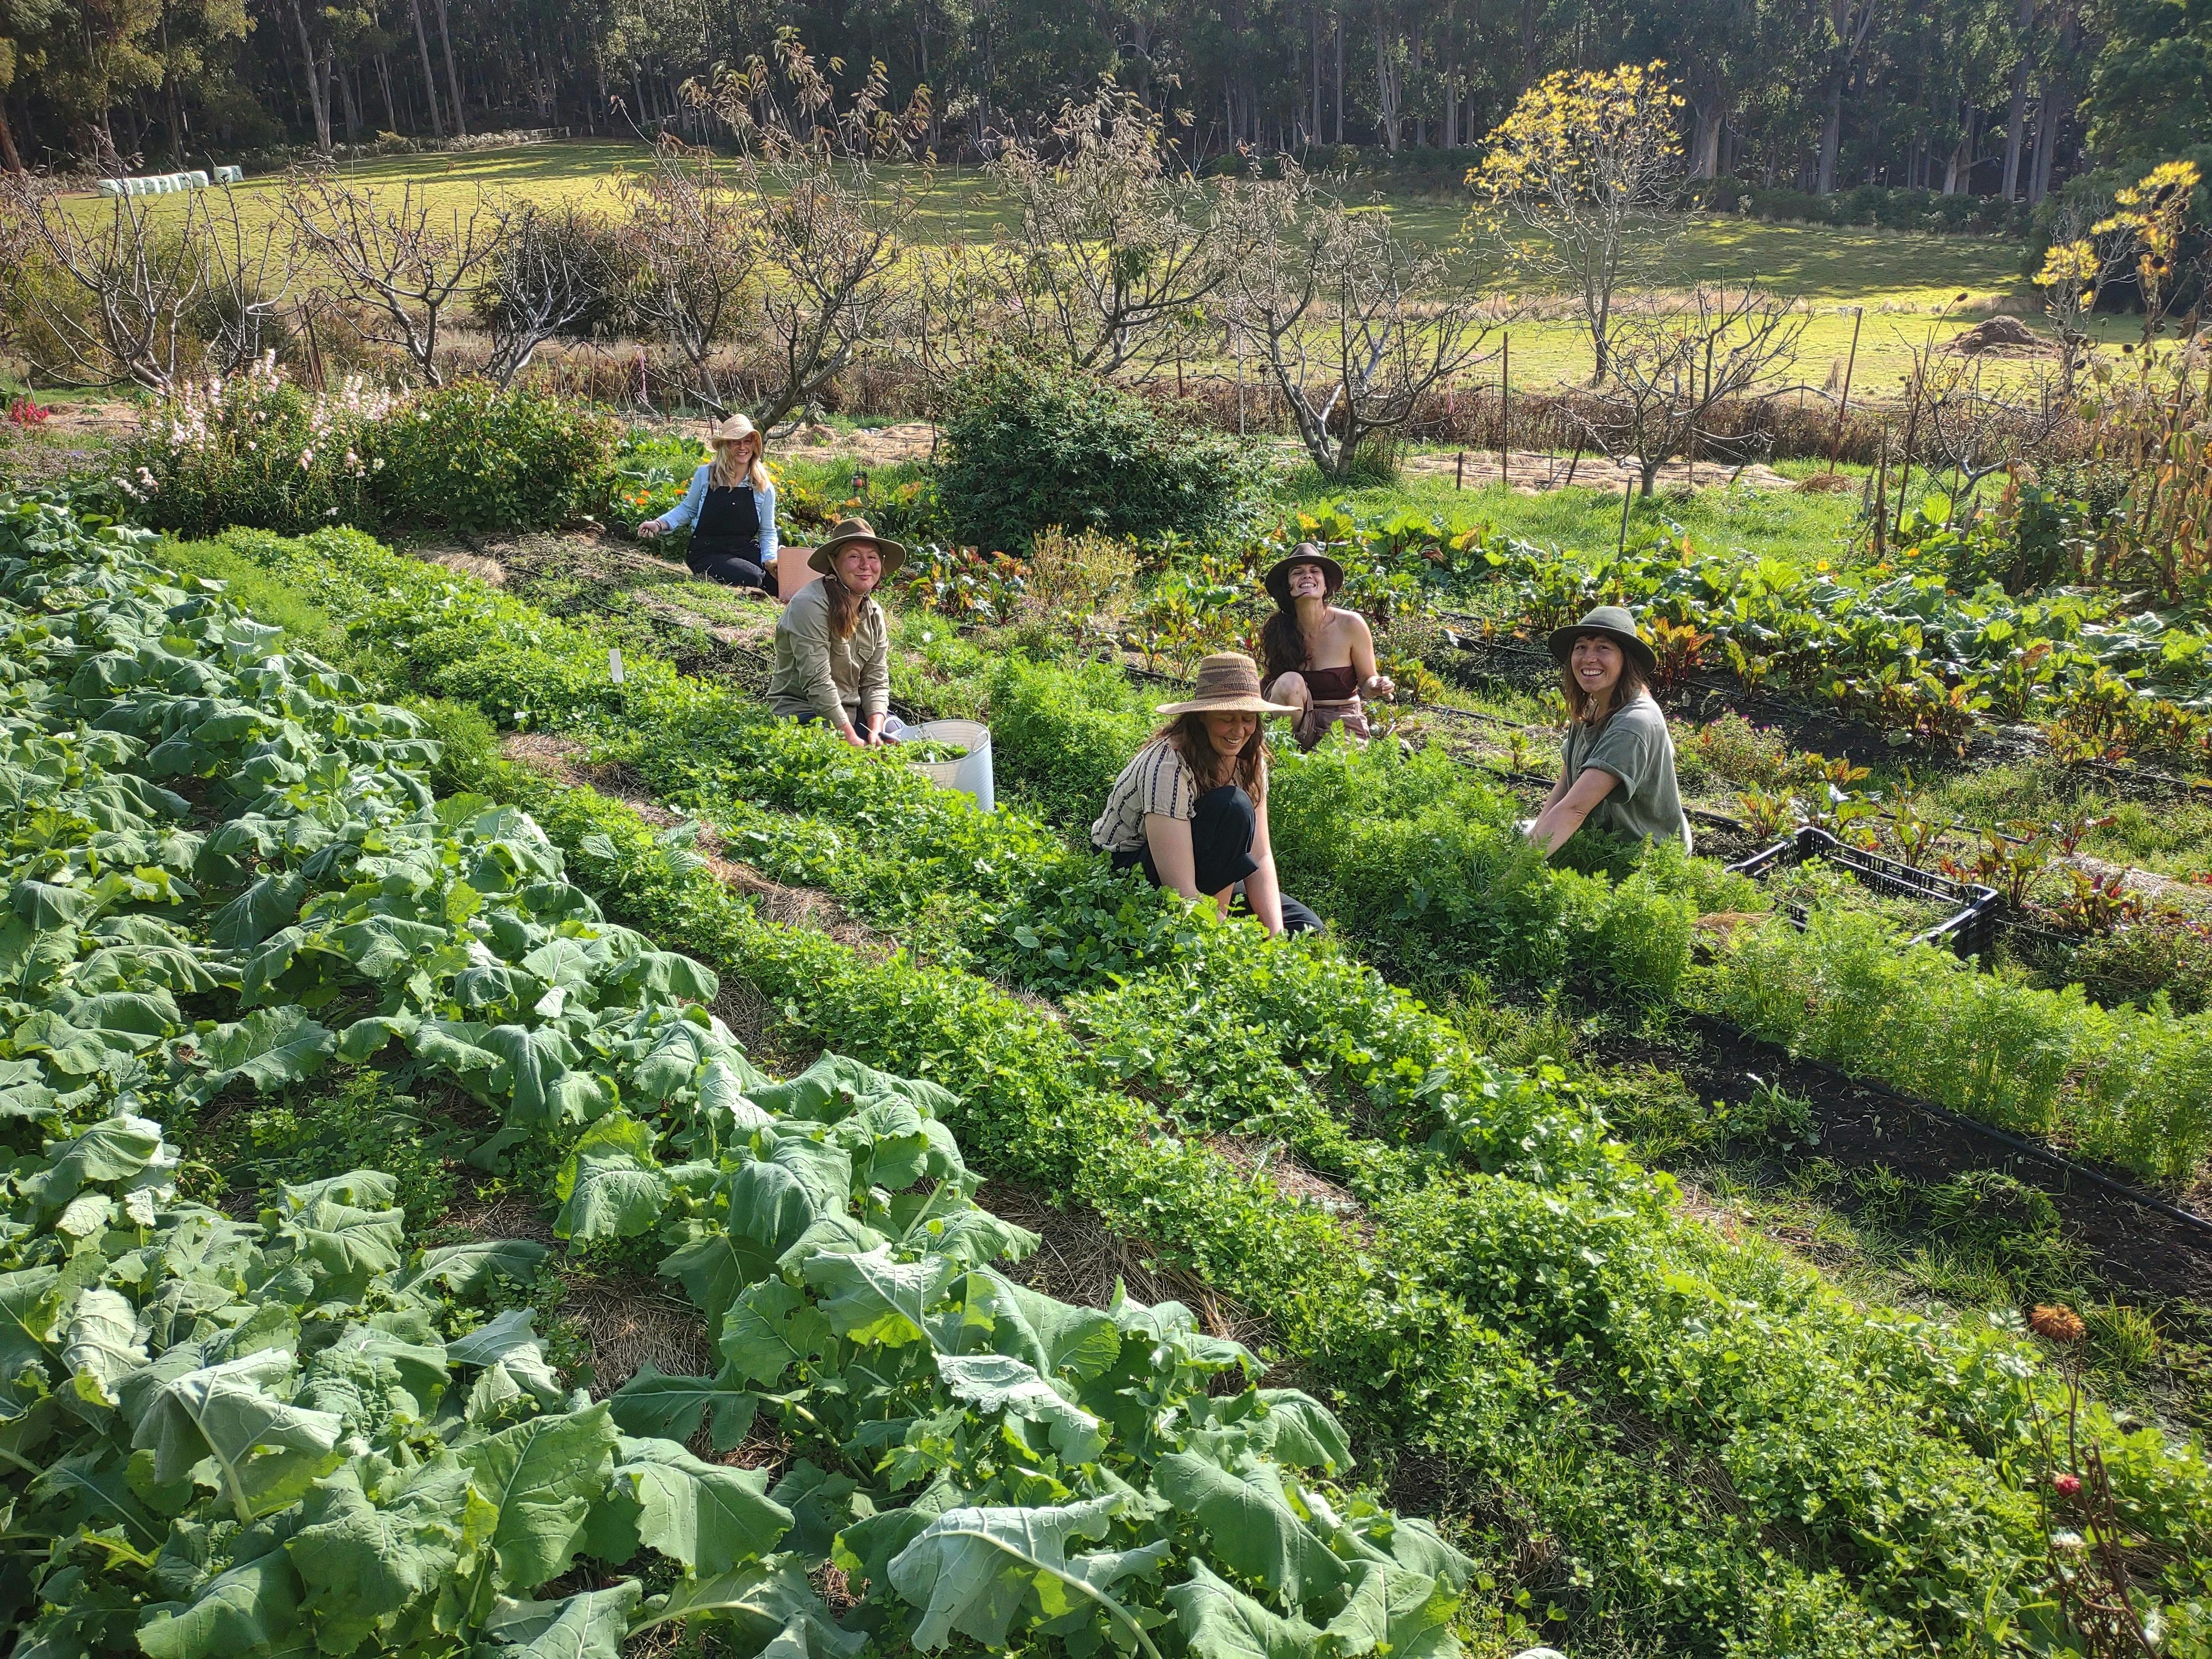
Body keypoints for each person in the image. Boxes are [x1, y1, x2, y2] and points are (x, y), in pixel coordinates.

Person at [1090, 651, 1320, 936]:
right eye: (1227, 719)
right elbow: (1181, 890)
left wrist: (1275, 936)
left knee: (1305, 926)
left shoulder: (1250, 758)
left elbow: (1260, 855)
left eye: (1248, 718)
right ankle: (1209, 930)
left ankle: (1217, 921)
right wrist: (1230, 940)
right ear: (1202, 718)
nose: (1239, 730)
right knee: (1232, 806)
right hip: (1130, 866)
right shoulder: (1168, 764)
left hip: (1200, 857)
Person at [1527, 605, 1692, 855]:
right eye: (1581, 647)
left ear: (1627, 660)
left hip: (1640, 854)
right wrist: (1532, 839)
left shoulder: (1634, 723)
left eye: (1603, 648)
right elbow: (1565, 789)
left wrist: (1516, 871)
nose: (1589, 658)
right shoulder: (1594, 706)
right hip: (1598, 838)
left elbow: (1575, 810)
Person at [765, 517, 911, 747]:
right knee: (840, 756)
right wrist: (850, 737)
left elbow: (876, 680)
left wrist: (876, 730)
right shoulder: (810, 605)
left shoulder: (874, 614)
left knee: (899, 737)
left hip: (852, 710)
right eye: (854, 556)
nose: (865, 565)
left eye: (872, 557)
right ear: (834, 562)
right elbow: (817, 681)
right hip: (805, 711)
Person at [1258, 544, 1394, 750]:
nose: (1307, 576)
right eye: (1298, 573)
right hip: (1290, 724)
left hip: (1340, 722)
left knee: (1340, 772)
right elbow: (1268, 683)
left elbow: (1367, 680)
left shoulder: (1351, 624)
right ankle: (1284, 752)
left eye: (1314, 571)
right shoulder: (1277, 629)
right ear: (1288, 587)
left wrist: (1377, 685)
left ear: (1325, 585)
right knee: (1289, 681)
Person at [638, 414, 781, 593]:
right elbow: (688, 509)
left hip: (743, 548)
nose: (742, 447)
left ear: (754, 445)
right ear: (725, 446)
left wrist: (770, 561)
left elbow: (767, 531)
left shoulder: (763, 486)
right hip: (708, 551)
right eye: (736, 442)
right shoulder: (707, 475)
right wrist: (659, 524)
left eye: (747, 441)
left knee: (781, 580)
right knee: (753, 577)